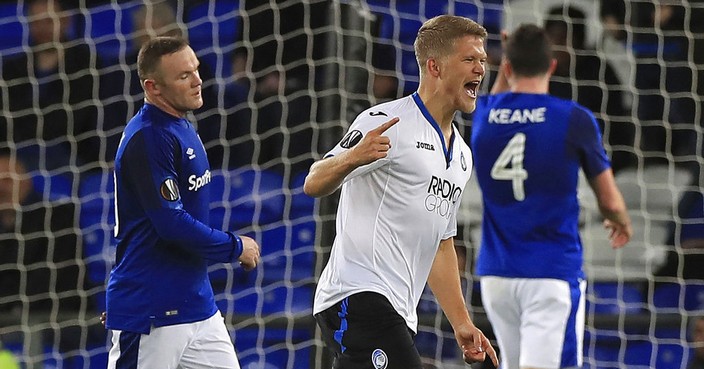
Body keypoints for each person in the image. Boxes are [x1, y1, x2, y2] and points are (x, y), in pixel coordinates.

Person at [304, 15, 499, 369]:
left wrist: (461, 321)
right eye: (470, 59)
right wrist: (351, 158)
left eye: (483, 60)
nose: (480, 69)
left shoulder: (462, 157)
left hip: (398, 311)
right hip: (356, 293)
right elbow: (314, 181)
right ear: (435, 66)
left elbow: (441, 244)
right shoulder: (386, 122)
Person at [470, 24, 633, 369]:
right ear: (553, 65)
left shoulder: (484, 114)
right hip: (549, 273)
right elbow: (610, 200)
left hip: (496, 277)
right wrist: (620, 219)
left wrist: (508, 57)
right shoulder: (574, 119)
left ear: (509, 67)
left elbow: (500, 98)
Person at [104, 37, 260, 369]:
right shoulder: (149, 137)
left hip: (197, 307)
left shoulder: (180, 127)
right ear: (153, 87)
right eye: (183, 75)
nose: (197, 79)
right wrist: (235, 247)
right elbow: (171, 224)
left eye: (196, 70)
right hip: (151, 311)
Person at [0, 0, 100, 171]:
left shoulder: (85, 64)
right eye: (36, 22)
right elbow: (5, 119)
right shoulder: (13, 69)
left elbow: (72, 121)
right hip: (15, 157)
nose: (42, 29)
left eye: (48, 21)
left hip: (67, 158)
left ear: (65, 20)